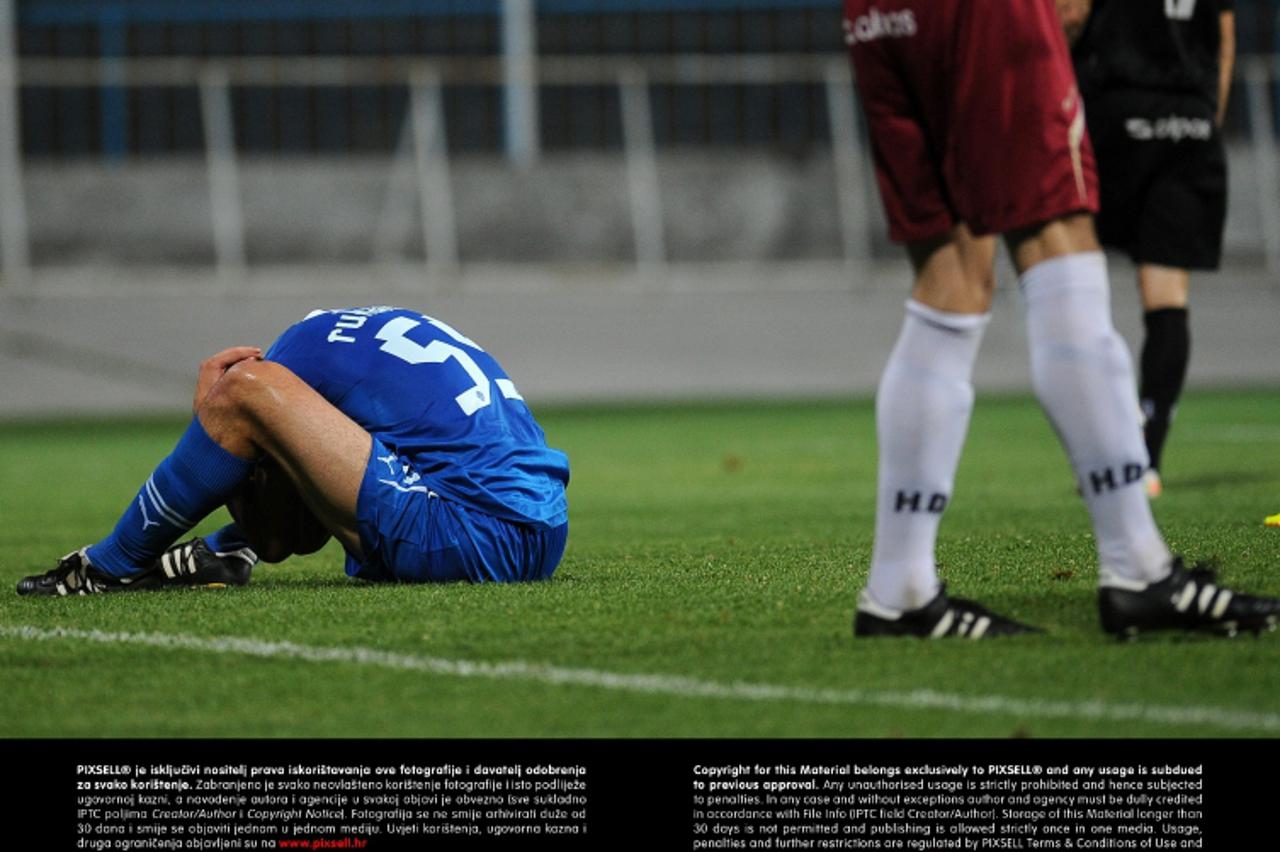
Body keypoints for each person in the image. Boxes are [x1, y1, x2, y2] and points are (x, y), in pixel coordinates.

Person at [841, 0, 1278, 637]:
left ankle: (899, 587)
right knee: (1058, 246)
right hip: (986, 16)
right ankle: (1140, 569)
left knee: (949, 279)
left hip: (882, 16)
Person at [17, 306, 570, 595]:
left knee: (241, 390)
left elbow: (285, 538)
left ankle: (107, 566)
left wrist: (208, 415)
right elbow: (324, 486)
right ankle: (225, 551)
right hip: (546, 532)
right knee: (285, 439)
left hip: (472, 533)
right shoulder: (357, 342)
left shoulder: (293, 357)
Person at [1067, 0, 1235, 499]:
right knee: (1167, 296)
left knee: (1071, 274)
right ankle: (1146, 462)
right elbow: (1223, 40)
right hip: (1191, 120)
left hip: (1117, 110)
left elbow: (1070, 14)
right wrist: (1208, 116)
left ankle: (1105, 455)